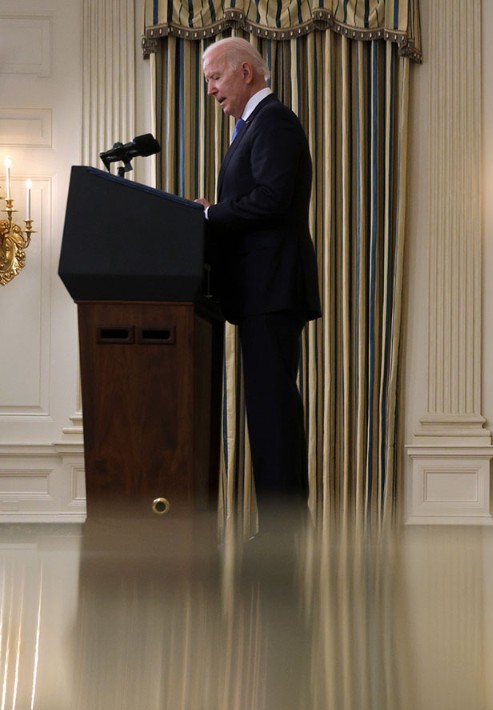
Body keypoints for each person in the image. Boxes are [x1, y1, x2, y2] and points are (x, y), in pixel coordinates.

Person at [196, 37, 322, 520]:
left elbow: (272, 198)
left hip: (272, 288)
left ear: (245, 72)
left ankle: (283, 532)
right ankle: (277, 528)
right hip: (259, 291)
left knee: (273, 413)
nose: (211, 89)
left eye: (215, 77)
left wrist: (213, 214)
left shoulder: (274, 122)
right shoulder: (252, 126)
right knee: (267, 411)